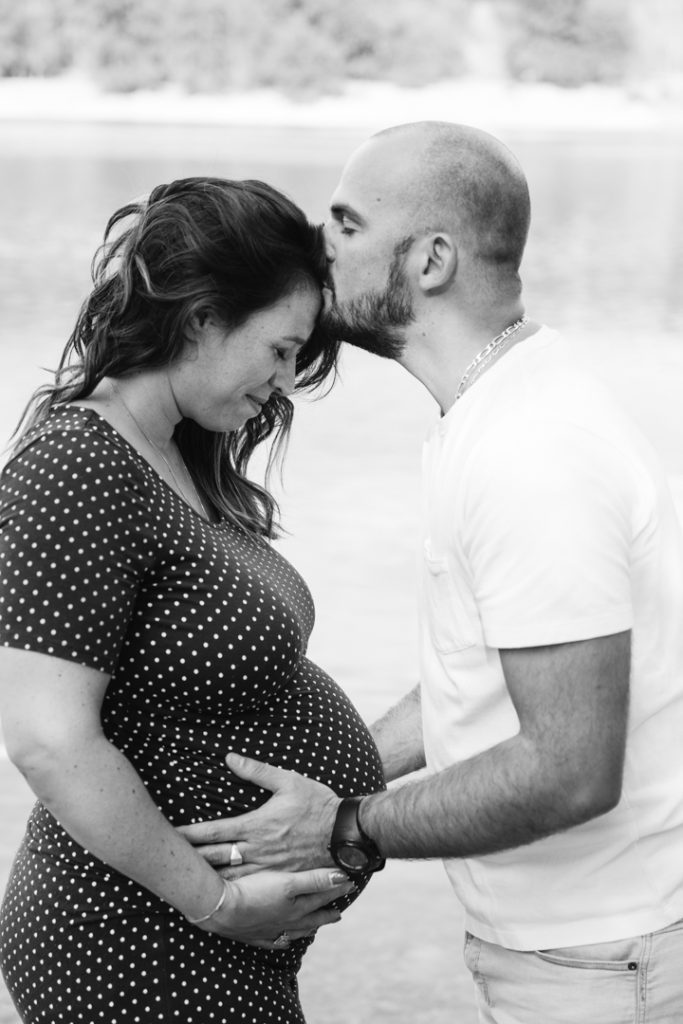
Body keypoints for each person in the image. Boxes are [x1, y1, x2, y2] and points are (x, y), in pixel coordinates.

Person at [180, 125, 683, 1023]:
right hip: (575, 948)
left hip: (603, 958)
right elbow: (485, 678)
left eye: (345, 221)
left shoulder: (533, 454)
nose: (315, 241)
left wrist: (346, 826)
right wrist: (331, 775)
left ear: (431, 259)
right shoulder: (490, 414)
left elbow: (569, 769)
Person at [0, 176, 385, 1024]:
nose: (284, 381)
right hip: (132, 944)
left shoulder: (181, 457)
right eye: (279, 348)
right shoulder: (77, 465)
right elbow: (46, 740)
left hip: (210, 946)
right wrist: (216, 903)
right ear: (203, 316)